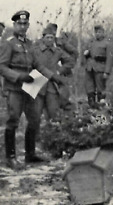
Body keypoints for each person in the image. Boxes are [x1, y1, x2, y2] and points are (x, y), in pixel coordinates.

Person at [0, 10, 64, 170]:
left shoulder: (29, 44)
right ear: (14, 25)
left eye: (25, 24)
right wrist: (18, 77)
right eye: (19, 24)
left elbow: (38, 65)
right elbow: (2, 67)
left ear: (28, 25)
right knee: (13, 119)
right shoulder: (8, 43)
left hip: (30, 86)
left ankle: (30, 154)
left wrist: (53, 76)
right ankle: (11, 157)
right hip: (15, 87)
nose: (22, 27)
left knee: (35, 118)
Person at [33, 27, 74, 121]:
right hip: (37, 85)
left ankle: (52, 132)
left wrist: (60, 70)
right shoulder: (35, 51)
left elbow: (70, 61)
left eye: (52, 37)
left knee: (53, 112)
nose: (50, 40)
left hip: (52, 86)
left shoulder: (57, 52)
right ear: (43, 38)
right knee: (35, 114)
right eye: (47, 37)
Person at [84, 24, 113, 107]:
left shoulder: (107, 44)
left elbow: (110, 59)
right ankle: (91, 103)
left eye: (99, 32)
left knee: (100, 87)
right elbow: (88, 54)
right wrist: (86, 55)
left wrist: (107, 72)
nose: (97, 34)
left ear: (103, 33)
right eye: (96, 32)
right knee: (89, 86)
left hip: (100, 67)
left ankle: (101, 103)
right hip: (90, 67)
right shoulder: (92, 43)